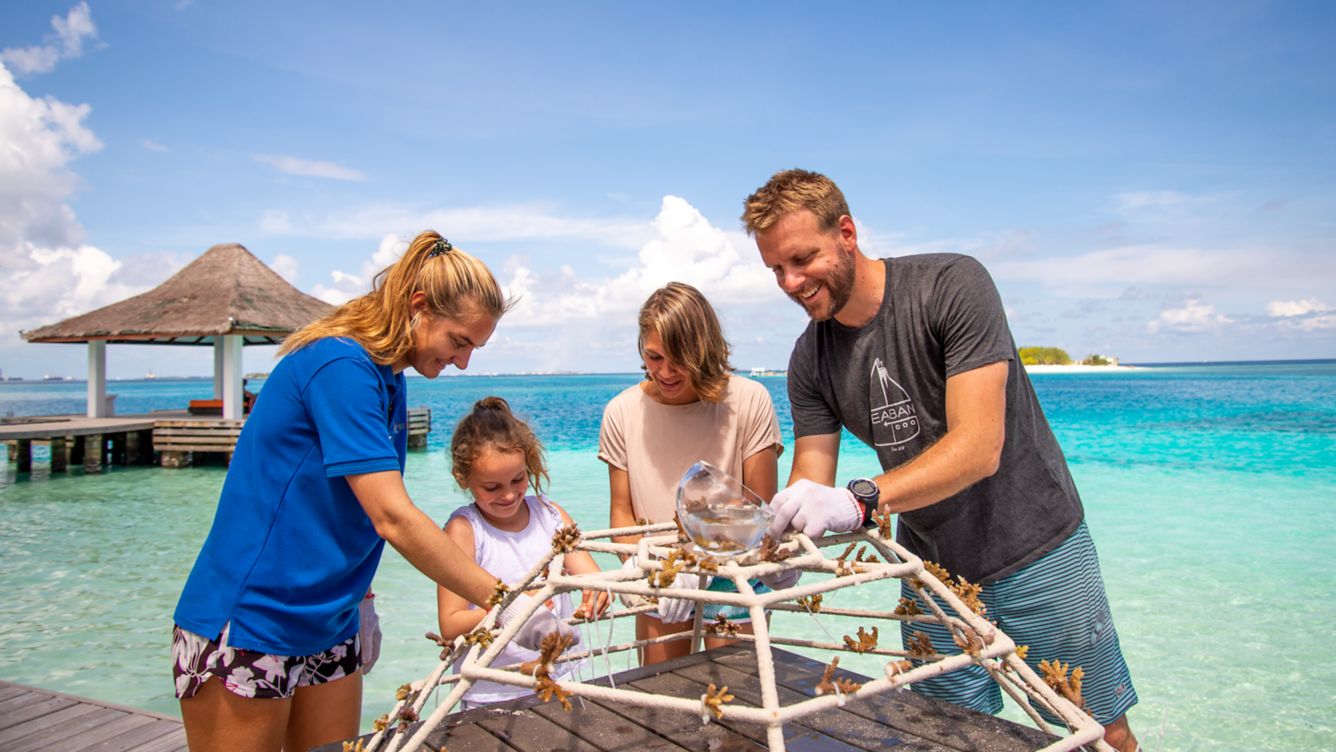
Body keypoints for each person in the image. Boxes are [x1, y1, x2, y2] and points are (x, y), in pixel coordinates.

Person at [741, 169, 1142, 752]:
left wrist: (859, 501)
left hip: (1037, 546)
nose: (791, 281)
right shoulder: (810, 357)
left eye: (802, 259)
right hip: (928, 572)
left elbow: (979, 446)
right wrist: (780, 549)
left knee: (1098, 733)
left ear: (847, 233)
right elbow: (810, 479)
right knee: (954, 739)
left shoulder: (952, 284)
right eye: (776, 268)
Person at [171, 231, 574, 752]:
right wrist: (509, 605)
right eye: (459, 341)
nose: (464, 362)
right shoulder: (339, 364)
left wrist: (361, 600)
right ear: (418, 307)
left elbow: (347, 513)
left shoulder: (390, 380)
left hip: (332, 620)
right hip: (253, 619)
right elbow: (392, 516)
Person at [598, 282, 785, 665]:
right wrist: (648, 572)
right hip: (661, 575)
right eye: (653, 357)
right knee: (661, 695)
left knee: (738, 703)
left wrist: (699, 567)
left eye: (679, 359)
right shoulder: (620, 411)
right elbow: (622, 515)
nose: (664, 372)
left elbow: (761, 515)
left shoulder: (750, 401)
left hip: (736, 573)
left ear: (703, 350)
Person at [437, 397, 609, 708]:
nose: (508, 494)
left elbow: (592, 578)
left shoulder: (551, 515)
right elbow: (450, 624)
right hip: (493, 691)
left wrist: (594, 596)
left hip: (562, 676)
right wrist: (515, 611)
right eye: (491, 487)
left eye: (518, 479)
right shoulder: (464, 530)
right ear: (463, 478)